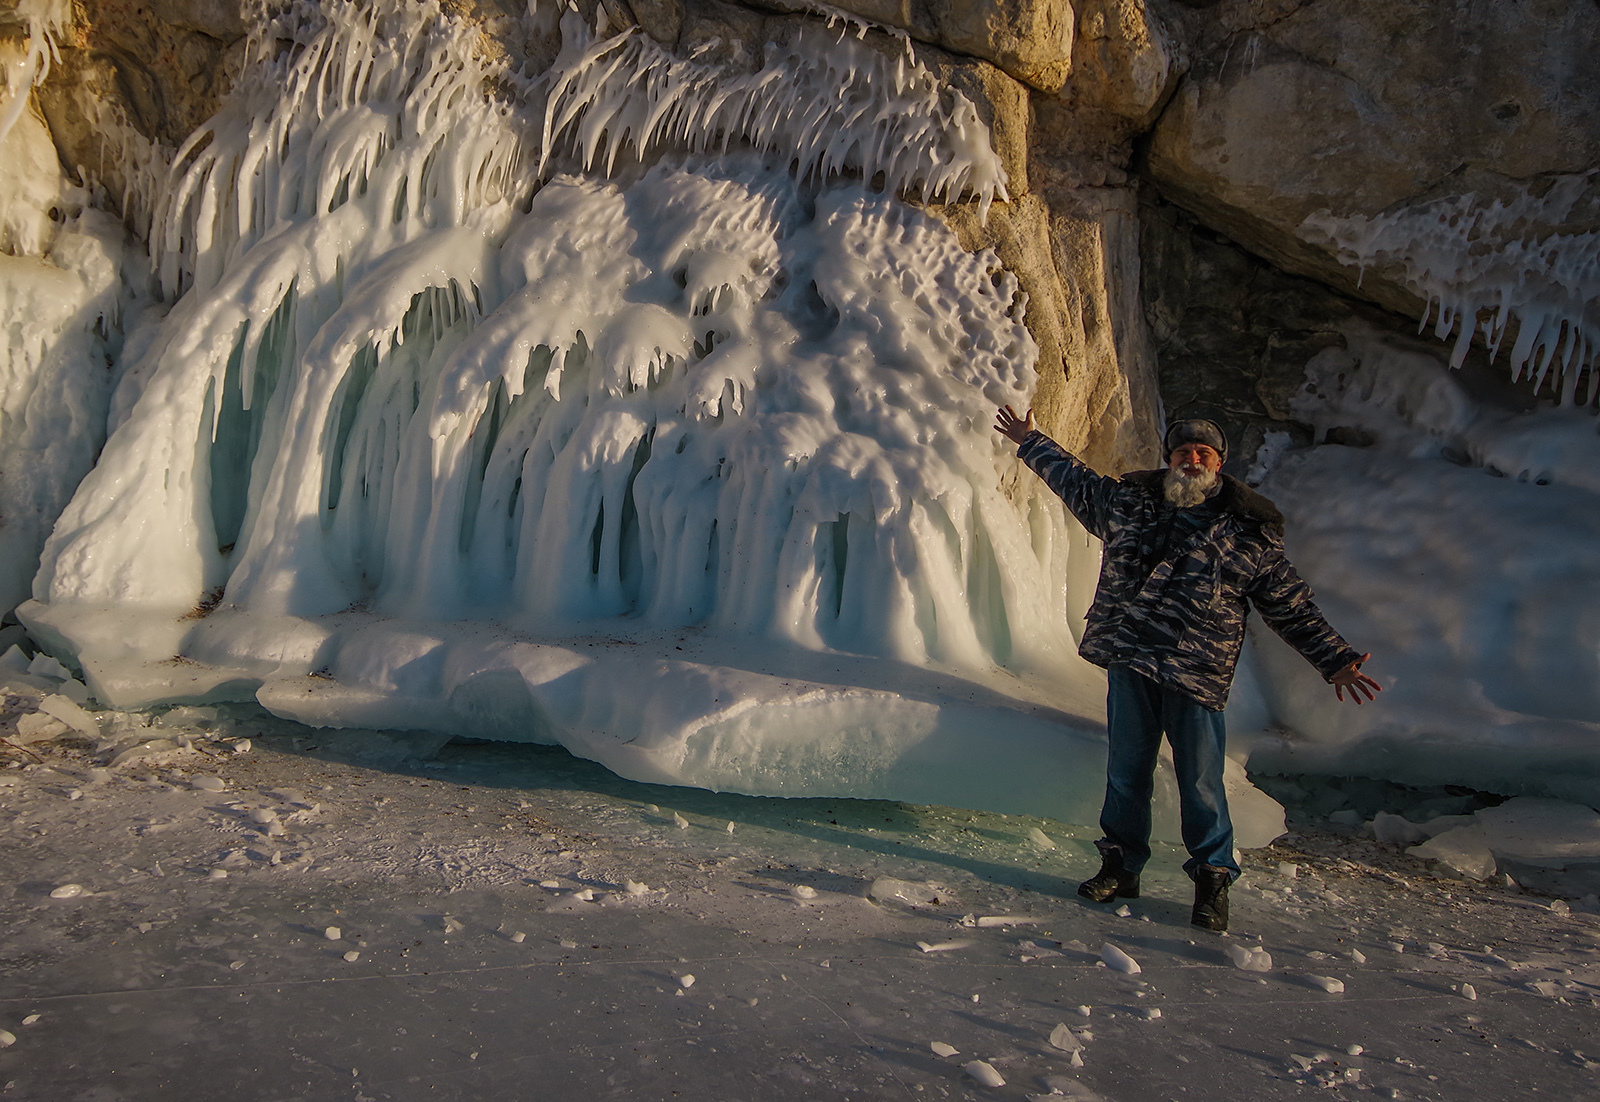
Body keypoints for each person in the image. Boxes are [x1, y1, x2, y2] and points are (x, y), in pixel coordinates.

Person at [994, 406, 1379, 931]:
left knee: (1200, 781)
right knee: (1127, 773)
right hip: (1132, 660)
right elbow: (1076, 482)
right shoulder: (1130, 503)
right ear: (1170, 460)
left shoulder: (1249, 532)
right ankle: (1120, 868)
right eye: (1183, 452)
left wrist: (1335, 659)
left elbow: (1289, 605)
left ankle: (1212, 881)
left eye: (1203, 453)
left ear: (1219, 464)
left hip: (1197, 671)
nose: (1192, 460)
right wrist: (1030, 441)